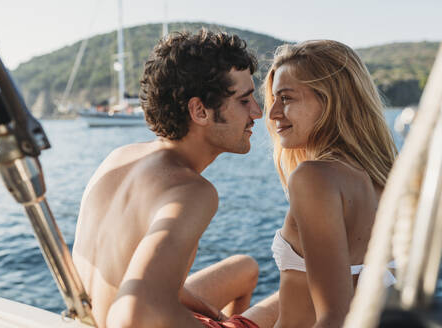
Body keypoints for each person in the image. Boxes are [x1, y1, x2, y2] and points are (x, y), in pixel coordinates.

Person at [72, 29, 278, 328]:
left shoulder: (119, 157)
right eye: (244, 101)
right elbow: (132, 316)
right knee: (301, 294)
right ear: (200, 111)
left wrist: (213, 314)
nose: (258, 113)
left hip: (93, 319)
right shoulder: (190, 191)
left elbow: (132, 280)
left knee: (244, 268)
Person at [263, 40, 397, 328]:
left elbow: (337, 317)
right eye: (274, 99)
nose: (272, 113)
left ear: (331, 100)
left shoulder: (314, 178)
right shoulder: (387, 175)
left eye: (286, 98)